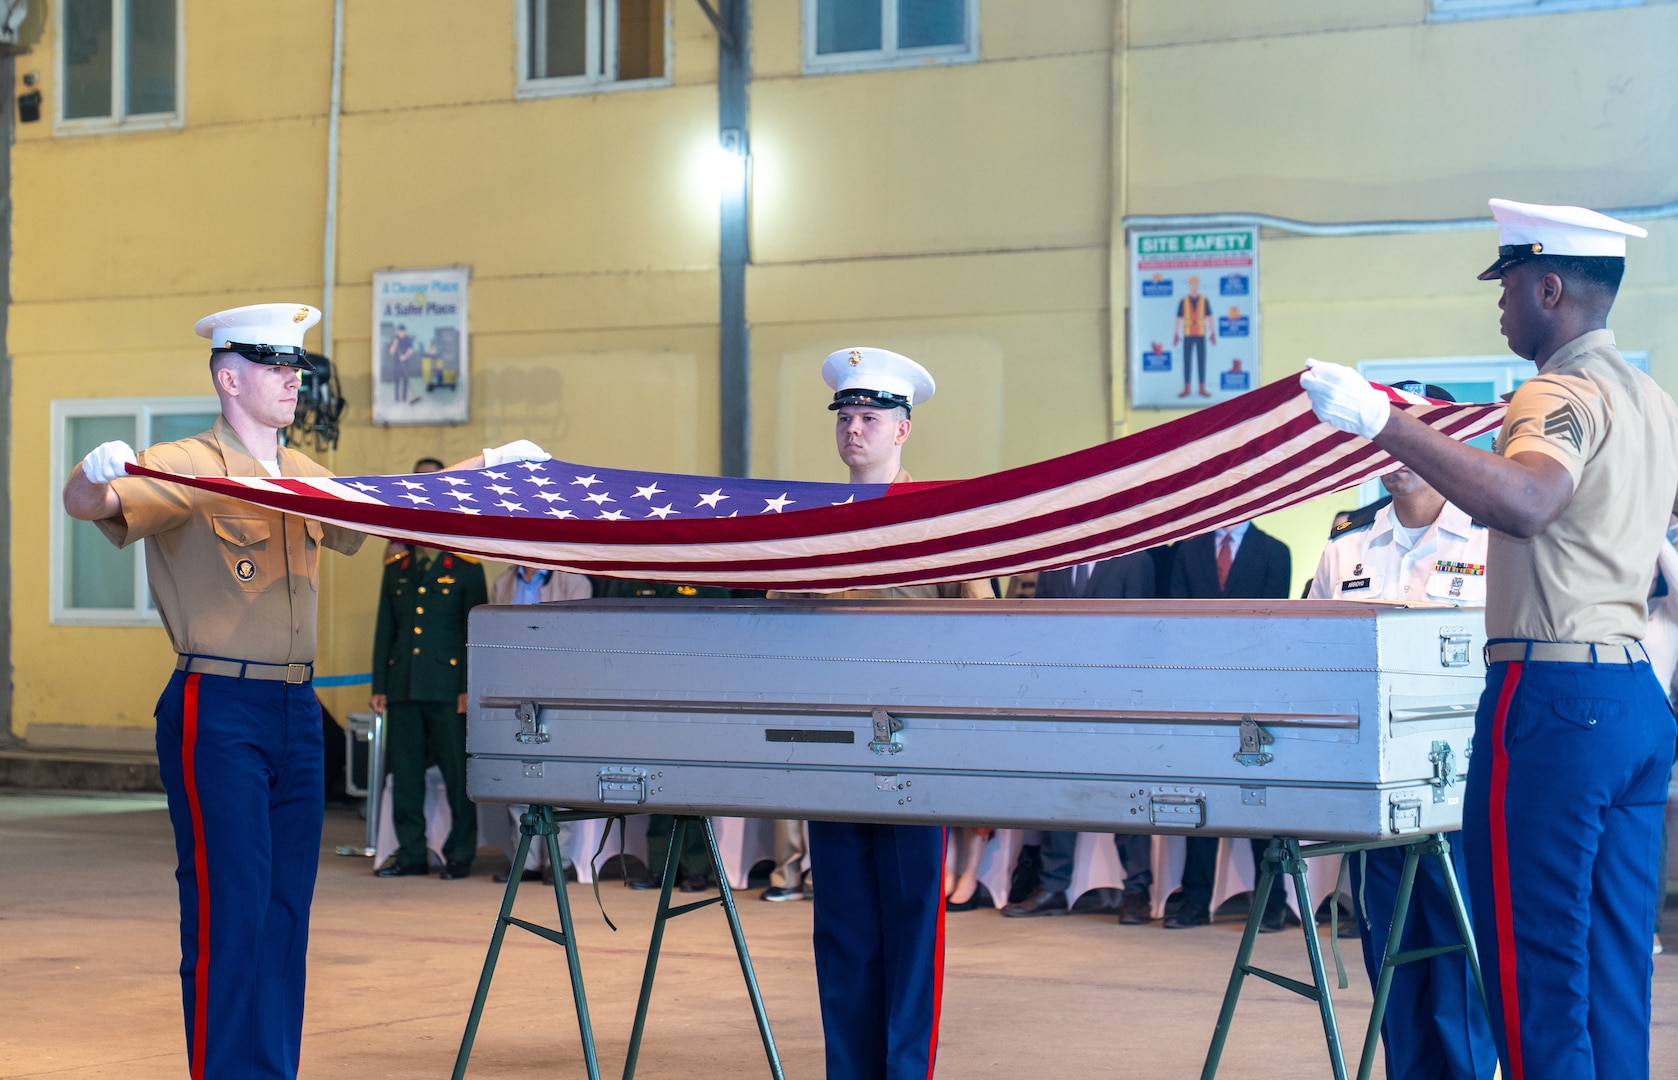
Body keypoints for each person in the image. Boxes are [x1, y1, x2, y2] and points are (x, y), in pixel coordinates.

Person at [58, 302, 546, 1079]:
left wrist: (485, 469)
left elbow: (391, 506)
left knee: (287, 914)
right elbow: (90, 506)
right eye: (275, 365)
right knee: (232, 908)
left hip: (294, 710)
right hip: (216, 707)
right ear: (229, 376)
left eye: (296, 366)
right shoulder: (186, 465)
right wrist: (90, 471)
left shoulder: (307, 476)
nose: (293, 379)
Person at [1301, 197, 1678, 1079]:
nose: (1499, 305)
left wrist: (1382, 423)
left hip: (1553, 700)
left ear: (1549, 288)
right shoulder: (1651, 398)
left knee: (1533, 968)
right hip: (1632, 697)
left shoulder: (1556, 392)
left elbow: (1528, 500)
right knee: (1611, 973)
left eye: (1507, 286)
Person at [789, 346, 991, 1080]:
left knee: (911, 927)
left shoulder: (942, 523)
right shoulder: (810, 526)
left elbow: (980, 631)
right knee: (842, 929)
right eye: (845, 416)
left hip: (915, 758)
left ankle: (907, 1072)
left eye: (870, 417)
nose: (854, 430)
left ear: (902, 430)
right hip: (831, 751)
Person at [1308, 383, 1497, 1080]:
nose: (1400, 450)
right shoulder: (1348, 544)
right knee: (1392, 965)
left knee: (1461, 968)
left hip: (1462, 794)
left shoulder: (1489, 536)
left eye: (1416, 431)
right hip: (1377, 791)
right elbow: (1316, 658)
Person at [1003, 553, 1157, 924]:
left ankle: (1137, 891)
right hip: (1064, 696)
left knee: (1126, 790)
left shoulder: (1135, 561)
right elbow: (1042, 627)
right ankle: (1053, 887)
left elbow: (1143, 631)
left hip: (1118, 696)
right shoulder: (1055, 561)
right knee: (1061, 787)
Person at [1166, 520, 1293, 931]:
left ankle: (1272, 900)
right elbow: (1177, 615)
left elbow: (1269, 622)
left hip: (1254, 692)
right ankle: (1195, 899)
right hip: (1200, 690)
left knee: (1257, 789)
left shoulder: (1274, 550)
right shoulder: (1190, 548)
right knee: (1199, 790)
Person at [369, 476, 489, 881]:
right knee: (405, 774)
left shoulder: (467, 569)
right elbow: (386, 629)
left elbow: (476, 632)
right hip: (404, 685)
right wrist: (380, 686)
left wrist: (468, 687)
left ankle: (460, 852)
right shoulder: (396, 569)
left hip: (447, 688)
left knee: (458, 774)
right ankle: (411, 851)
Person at [594, 577, 735, 892]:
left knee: (693, 780)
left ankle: (696, 868)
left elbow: (724, 631)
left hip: (697, 691)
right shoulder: (636, 575)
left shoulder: (708, 575)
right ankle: (660, 866)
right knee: (654, 778)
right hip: (650, 690)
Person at [486, 563, 593, 884]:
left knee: (559, 771)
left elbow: (580, 638)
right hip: (513, 687)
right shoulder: (503, 581)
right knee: (518, 772)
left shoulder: (574, 581)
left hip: (560, 687)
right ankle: (527, 860)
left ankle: (559, 860)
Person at [1175, 275, 1217, 399]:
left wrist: (1213, 333)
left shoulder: (1204, 300)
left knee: (1201, 361)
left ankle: (1201, 388)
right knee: (1187, 361)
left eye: (1195, 285)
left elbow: (1210, 317)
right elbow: (1178, 318)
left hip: (1200, 334)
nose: (1193, 287)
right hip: (1187, 334)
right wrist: (1176, 333)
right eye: (1191, 285)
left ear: (1198, 286)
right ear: (1189, 286)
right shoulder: (1183, 301)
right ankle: (1186, 388)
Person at [388, 324, 416, 404]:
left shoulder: (408, 339)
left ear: (405, 331)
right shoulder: (394, 339)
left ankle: (404, 399)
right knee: (396, 381)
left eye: (403, 331)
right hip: (396, 363)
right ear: (398, 331)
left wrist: (404, 356)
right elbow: (391, 352)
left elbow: (410, 351)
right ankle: (396, 399)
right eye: (400, 331)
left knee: (405, 381)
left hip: (405, 363)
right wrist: (394, 344)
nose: (401, 332)